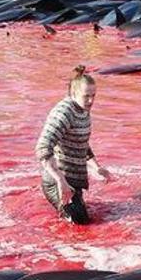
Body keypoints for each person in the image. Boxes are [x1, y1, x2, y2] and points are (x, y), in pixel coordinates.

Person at [36, 67, 112, 225]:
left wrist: (96, 167)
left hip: (73, 181)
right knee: (79, 225)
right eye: (86, 96)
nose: (91, 101)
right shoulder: (63, 113)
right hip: (57, 180)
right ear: (73, 94)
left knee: (86, 221)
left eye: (93, 96)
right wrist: (60, 181)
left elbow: (81, 142)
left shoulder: (83, 109)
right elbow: (43, 148)